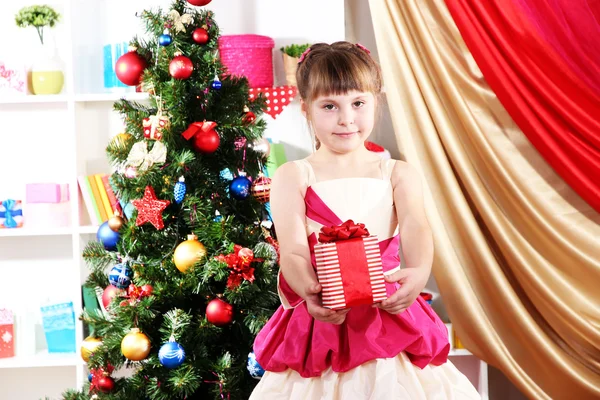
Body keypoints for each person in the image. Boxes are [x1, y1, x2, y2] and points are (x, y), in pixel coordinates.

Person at [250, 41, 480, 399]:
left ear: (376, 101)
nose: (347, 119)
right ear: (306, 109)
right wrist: (311, 292)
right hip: (322, 317)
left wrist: (418, 273)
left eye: (358, 103)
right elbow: (293, 250)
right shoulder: (293, 176)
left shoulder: (397, 173)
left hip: (386, 316)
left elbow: (417, 226)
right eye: (330, 106)